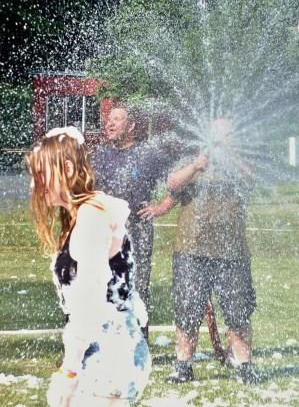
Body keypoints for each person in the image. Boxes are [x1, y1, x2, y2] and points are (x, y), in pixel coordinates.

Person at [26, 126, 151, 406]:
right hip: (112, 348)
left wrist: (69, 372)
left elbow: (90, 302)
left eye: (41, 174)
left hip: (111, 354)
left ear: (67, 168)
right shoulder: (86, 213)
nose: (35, 184)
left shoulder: (92, 217)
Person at [143, 118, 259, 385]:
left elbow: (252, 180)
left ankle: (244, 365)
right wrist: (196, 166)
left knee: (238, 311)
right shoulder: (193, 156)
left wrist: (231, 156)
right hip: (191, 248)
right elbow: (172, 185)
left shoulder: (240, 158)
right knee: (187, 309)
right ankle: (183, 366)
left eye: (226, 135)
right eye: (217, 135)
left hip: (233, 251)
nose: (220, 140)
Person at [92, 105, 179, 336]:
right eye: (108, 119)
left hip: (137, 234)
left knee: (136, 290)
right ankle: (106, 346)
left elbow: (177, 182)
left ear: (131, 126)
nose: (109, 123)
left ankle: (139, 346)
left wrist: (161, 208)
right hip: (105, 234)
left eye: (117, 119)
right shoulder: (100, 155)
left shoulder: (148, 154)